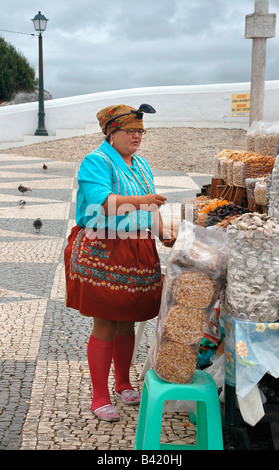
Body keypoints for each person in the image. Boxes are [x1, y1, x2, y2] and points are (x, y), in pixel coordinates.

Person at [64, 103, 176, 422]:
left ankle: (123, 382)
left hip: (137, 248)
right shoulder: (95, 162)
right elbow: (102, 202)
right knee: (106, 321)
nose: (137, 137)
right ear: (111, 133)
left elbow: (150, 208)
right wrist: (141, 202)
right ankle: (99, 395)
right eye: (130, 131)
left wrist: (162, 230)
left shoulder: (141, 164)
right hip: (105, 249)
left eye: (140, 131)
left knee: (128, 318)